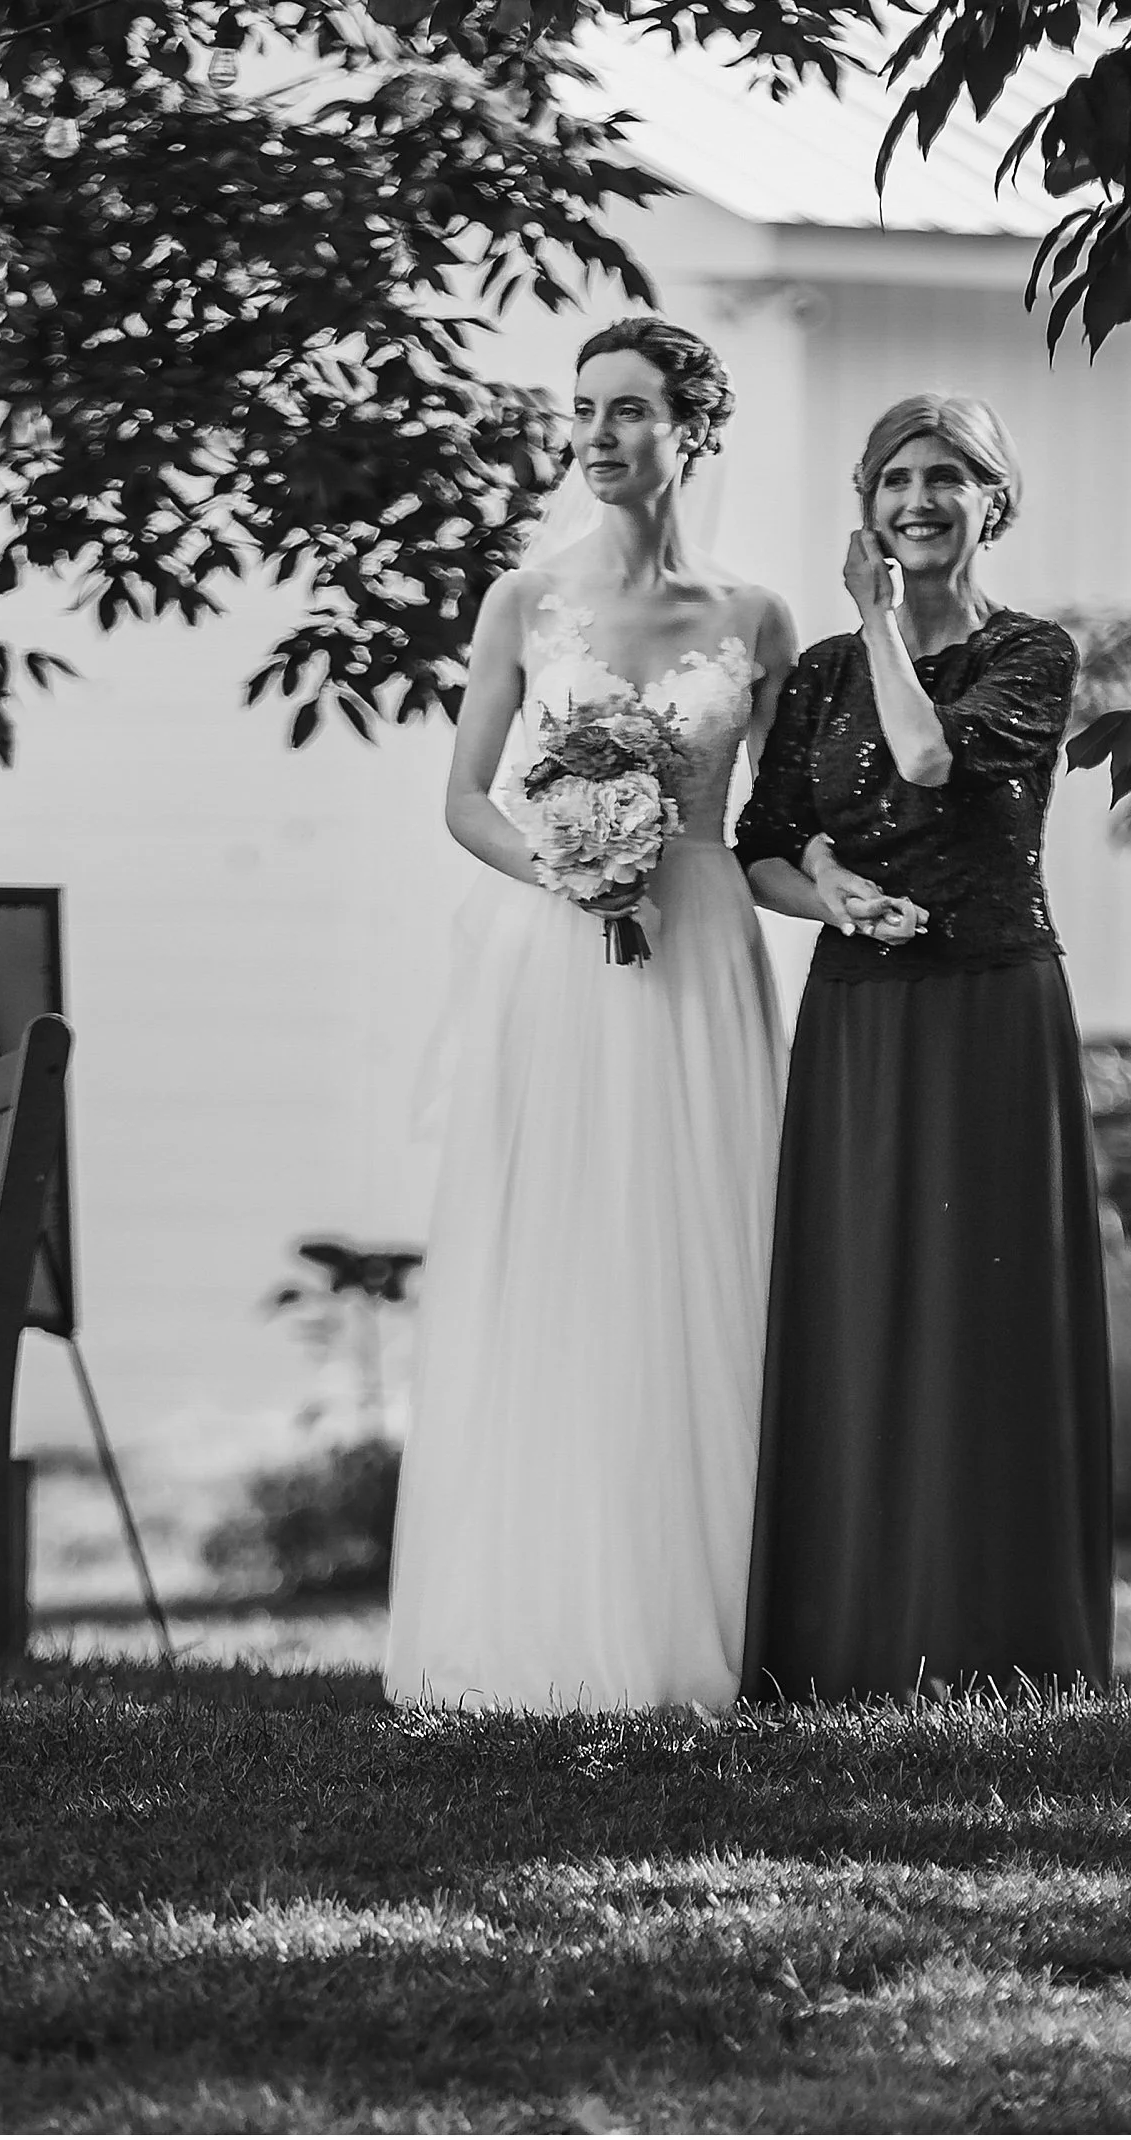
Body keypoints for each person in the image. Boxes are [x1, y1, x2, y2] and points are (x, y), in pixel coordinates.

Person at [386, 317, 797, 1713]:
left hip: (704, 952)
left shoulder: (756, 619)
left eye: (629, 410)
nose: (598, 436)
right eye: (581, 411)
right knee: (565, 1253)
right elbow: (462, 800)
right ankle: (545, 1609)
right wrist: (561, 864)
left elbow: (781, 822)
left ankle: (721, 1611)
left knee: (705, 1248)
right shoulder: (523, 600)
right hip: (561, 961)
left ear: (693, 427)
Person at [735, 392, 1114, 1702]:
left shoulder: (1030, 654)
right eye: (897, 477)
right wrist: (828, 895)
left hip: (991, 1007)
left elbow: (926, 757)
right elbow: (763, 846)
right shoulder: (819, 677)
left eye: (948, 477)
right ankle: (839, 1640)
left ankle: (996, 1638)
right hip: (856, 1015)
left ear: (991, 501)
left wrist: (881, 623)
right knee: (860, 1304)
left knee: (983, 1313)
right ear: (868, 500)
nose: (919, 499)